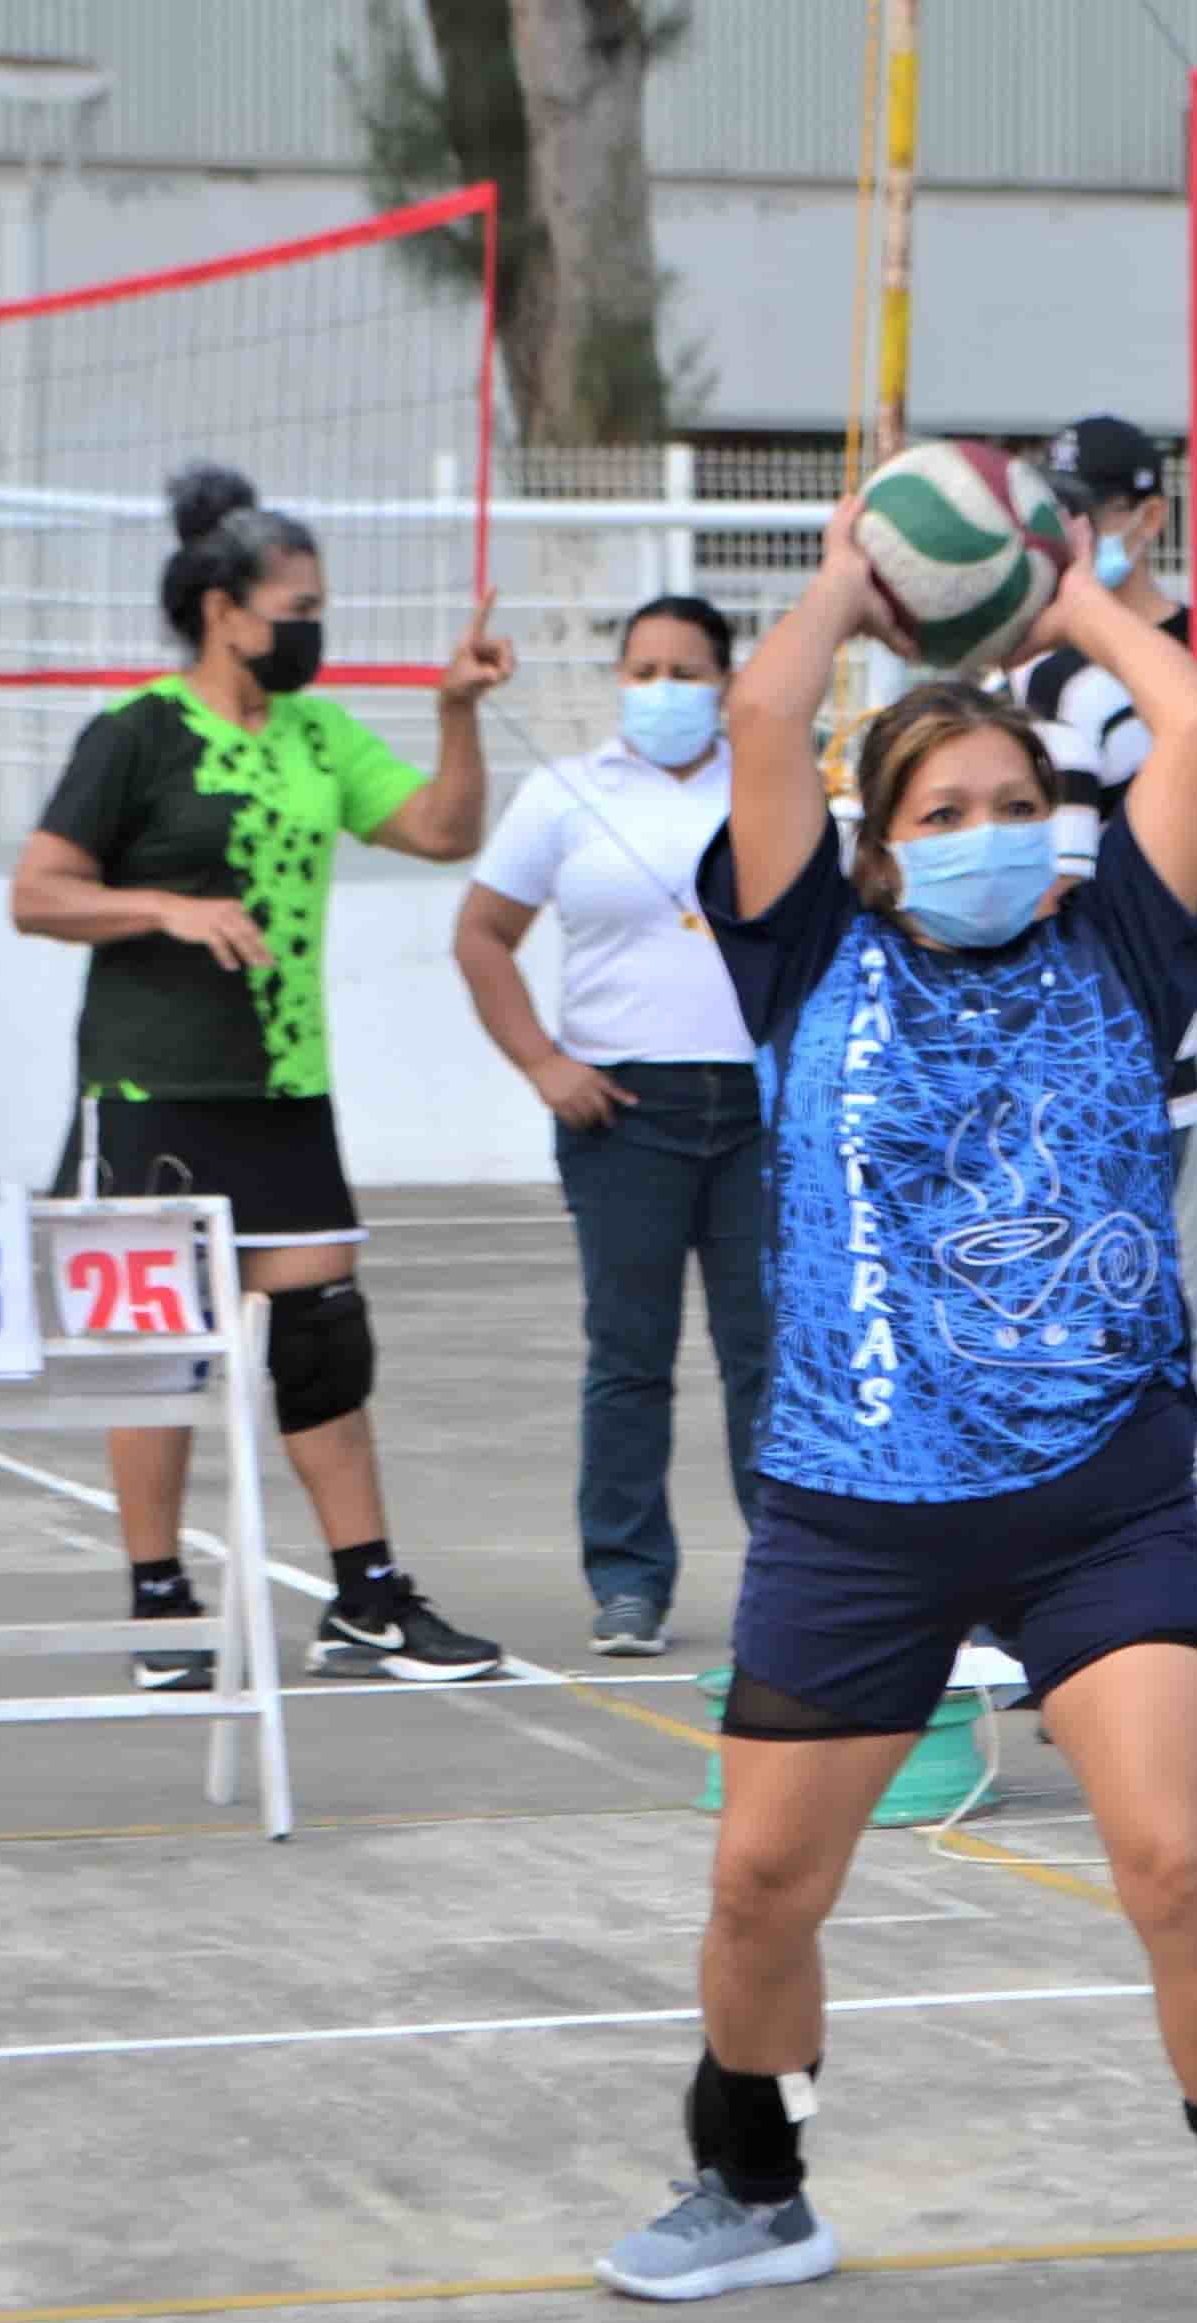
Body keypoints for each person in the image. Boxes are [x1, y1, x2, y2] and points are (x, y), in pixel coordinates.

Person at [591, 498, 1197, 2323]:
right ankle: (756, 2189)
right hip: (854, 1510)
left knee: (1171, 1860)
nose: (994, 836)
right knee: (762, 1880)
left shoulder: (1127, 946)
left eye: (1019, 803)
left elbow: (1190, 730)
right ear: (877, 851)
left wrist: (1060, 590)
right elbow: (767, 724)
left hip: (1100, 1506)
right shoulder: (804, 960)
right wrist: (857, 574)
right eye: (946, 814)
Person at [8, 462, 520, 1685]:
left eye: (319, 610)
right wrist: (162, 911)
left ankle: (366, 1598)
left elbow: (445, 833)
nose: (311, 632)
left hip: (285, 1089)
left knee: (323, 1343)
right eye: (296, 610)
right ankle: (159, 1601)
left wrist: (456, 712)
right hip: (151, 1089)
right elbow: (38, 893)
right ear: (223, 609)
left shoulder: (317, 733)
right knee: (159, 1353)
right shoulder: (138, 733)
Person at [453, 596, 765, 1659]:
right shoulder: (565, 792)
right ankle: (629, 1578)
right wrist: (545, 1061)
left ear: (727, 679)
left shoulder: (776, 785)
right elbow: (483, 934)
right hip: (623, 1112)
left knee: (766, 1353)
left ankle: (791, 1569)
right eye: (644, 669)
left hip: (760, 1115)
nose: (664, 689)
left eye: (687, 669)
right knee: (629, 1354)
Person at [1016, 416, 1197, 1574]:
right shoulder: (1014, 665)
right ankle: (1031, 1555)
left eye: (1085, 507)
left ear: (1143, 517)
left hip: (1170, 1032)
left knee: (1177, 1309)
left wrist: (1126, 910)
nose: (1067, 529)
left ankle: (1190, 1556)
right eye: (1050, 505)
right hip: (1031, 1040)